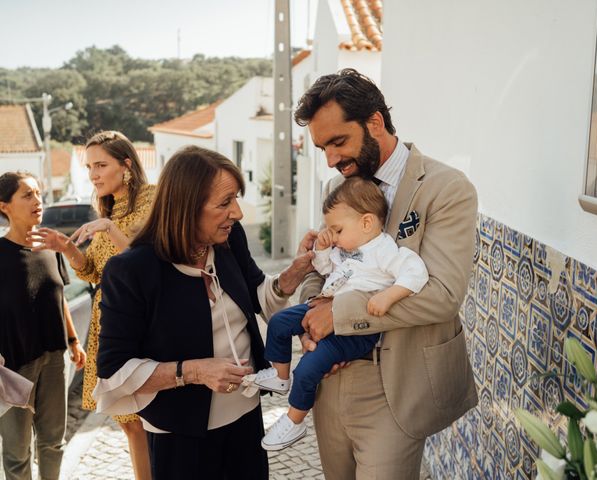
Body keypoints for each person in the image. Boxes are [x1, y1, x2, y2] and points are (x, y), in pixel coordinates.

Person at [293, 68, 479, 479]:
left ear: (374, 122)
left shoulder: (446, 188)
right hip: (330, 376)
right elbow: (327, 275)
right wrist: (311, 316)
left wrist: (338, 315)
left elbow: (444, 293)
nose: (331, 159)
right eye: (322, 147)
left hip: (395, 384)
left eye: (338, 142)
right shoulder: (335, 190)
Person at [91, 146, 315, 479]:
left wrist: (291, 276)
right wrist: (193, 372)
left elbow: (256, 297)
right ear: (186, 208)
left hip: (246, 419)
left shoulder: (227, 239)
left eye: (236, 198)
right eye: (225, 203)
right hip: (180, 435)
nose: (237, 213)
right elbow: (113, 370)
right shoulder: (132, 270)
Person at [256, 177, 428, 451]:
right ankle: (279, 375)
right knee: (278, 322)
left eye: (337, 230)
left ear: (367, 223)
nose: (334, 236)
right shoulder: (345, 248)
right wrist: (323, 247)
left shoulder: (384, 250)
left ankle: (294, 420)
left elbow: (415, 272)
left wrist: (390, 294)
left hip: (354, 332)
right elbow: (324, 270)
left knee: (309, 368)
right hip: (324, 307)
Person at [29, 131, 155, 480]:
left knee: (150, 419)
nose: (93, 174)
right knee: (128, 421)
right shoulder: (108, 208)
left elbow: (143, 259)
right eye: (89, 167)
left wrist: (107, 226)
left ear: (126, 164)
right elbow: (92, 272)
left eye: (101, 165)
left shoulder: (151, 198)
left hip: (142, 320)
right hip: (107, 320)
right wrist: (65, 246)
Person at [0, 172, 86, 480]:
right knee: (16, 453)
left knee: (52, 443)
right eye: (27, 195)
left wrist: (75, 342)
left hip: (54, 360)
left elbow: (59, 295)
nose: (38, 201)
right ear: (4, 205)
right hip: (12, 366)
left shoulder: (50, 245)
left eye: (38, 193)